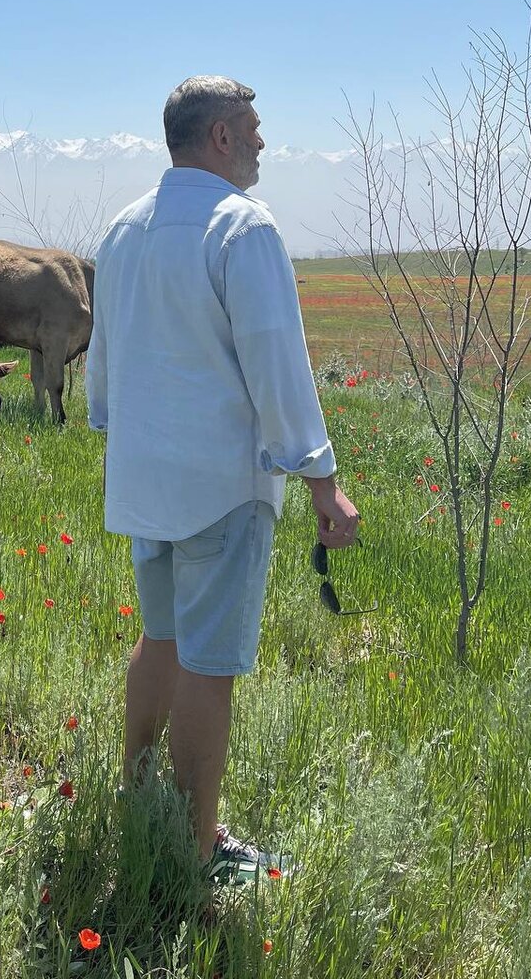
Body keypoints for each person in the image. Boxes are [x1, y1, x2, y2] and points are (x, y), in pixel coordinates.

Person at [85, 75, 359, 882]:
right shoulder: (242, 229)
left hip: (144, 481)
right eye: (253, 126)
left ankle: (139, 801)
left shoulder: (123, 230)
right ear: (220, 138)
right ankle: (198, 852)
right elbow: (277, 360)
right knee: (209, 664)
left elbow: (103, 369)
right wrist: (321, 478)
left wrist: (117, 431)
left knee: (160, 639)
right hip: (222, 486)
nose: (264, 141)